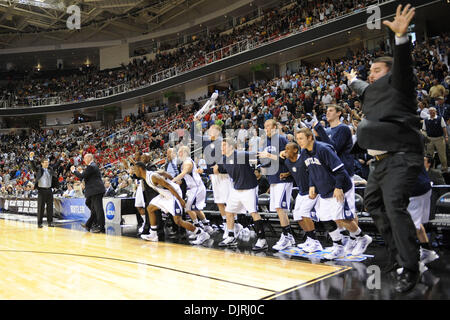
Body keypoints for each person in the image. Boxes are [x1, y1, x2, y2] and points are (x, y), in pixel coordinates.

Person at [345, 4, 423, 292]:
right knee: (373, 203)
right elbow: (359, 86)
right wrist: (352, 79)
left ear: (389, 72)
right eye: (370, 71)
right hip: (378, 164)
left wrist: (400, 39)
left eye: (376, 70)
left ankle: (411, 267)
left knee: (393, 205)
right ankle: (395, 255)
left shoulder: (399, 84)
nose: (372, 74)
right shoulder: (371, 90)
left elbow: (402, 65)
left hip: (401, 157)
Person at [296, 128, 372, 260]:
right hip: (324, 189)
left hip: (339, 186)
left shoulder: (324, 149)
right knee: (325, 218)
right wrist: (312, 185)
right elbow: (311, 170)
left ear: (310, 138)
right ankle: (339, 247)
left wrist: (338, 187)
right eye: (297, 139)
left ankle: (363, 237)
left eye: (301, 138)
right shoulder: (304, 153)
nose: (299, 141)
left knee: (341, 217)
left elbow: (340, 170)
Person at [131, 162, 210, 245]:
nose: (134, 172)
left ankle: (202, 234)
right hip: (165, 194)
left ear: (140, 169)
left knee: (178, 221)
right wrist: (173, 179)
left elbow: (169, 186)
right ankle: (153, 234)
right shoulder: (148, 175)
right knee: (150, 208)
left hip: (174, 195)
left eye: (135, 170)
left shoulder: (153, 177)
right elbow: (164, 173)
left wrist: (180, 200)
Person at [217, 138, 268, 251]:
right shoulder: (224, 159)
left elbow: (258, 154)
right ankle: (231, 237)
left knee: (253, 212)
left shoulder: (240, 154)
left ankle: (262, 240)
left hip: (249, 187)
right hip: (236, 188)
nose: (222, 148)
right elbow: (220, 170)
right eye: (221, 146)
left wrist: (267, 154)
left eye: (224, 145)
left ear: (231, 146)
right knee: (229, 211)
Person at [258, 119, 295, 251]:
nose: (266, 128)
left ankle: (286, 236)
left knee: (280, 208)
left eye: (268, 125)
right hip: (273, 178)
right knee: (279, 209)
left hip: (283, 178)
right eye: (264, 126)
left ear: (275, 127)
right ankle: (289, 236)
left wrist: (269, 155)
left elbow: (290, 157)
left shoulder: (281, 139)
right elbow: (268, 160)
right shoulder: (266, 142)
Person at [281, 142, 322, 252]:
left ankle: (315, 242)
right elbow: (294, 169)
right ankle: (309, 239)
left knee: (304, 213)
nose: (285, 151)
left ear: (295, 150)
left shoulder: (304, 159)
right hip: (301, 192)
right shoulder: (287, 162)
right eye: (285, 149)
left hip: (311, 190)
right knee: (297, 216)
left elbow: (314, 170)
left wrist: (314, 187)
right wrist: (286, 174)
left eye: (288, 149)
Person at [172, 146, 214, 238]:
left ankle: (198, 228)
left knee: (188, 208)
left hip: (197, 188)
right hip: (194, 188)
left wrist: (173, 180)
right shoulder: (185, 161)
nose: (178, 154)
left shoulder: (187, 162)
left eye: (179, 152)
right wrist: (179, 181)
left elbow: (183, 173)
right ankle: (206, 226)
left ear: (184, 152)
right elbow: (185, 176)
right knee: (195, 208)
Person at [406, 166, 439, 267]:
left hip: (414, 188)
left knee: (407, 226)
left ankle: (411, 264)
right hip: (424, 187)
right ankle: (427, 251)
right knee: (416, 224)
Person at [71, 153, 106, 233]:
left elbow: (82, 176)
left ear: (89, 158)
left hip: (96, 190)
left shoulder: (91, 166)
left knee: (98, 209)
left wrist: (74, 171)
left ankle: (101, 227)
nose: (84, 160)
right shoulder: (92, 166)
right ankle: (89, 224)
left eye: (85, 158)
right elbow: (86, 175)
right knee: (92, 207)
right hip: (94, 191)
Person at [29, 151, 62, 228]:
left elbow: (57, 165)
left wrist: (61, 158)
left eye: (48, 162)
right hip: (41, 190)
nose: (47, 164)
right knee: (41, 207)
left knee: (50, 207)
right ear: (42, 163)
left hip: (49, 190)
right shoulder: (38, 169)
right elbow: (33, 166)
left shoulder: (50, 169)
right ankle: (39, 223)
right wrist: (31, 158)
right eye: (45, 162)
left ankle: (50, 222)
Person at [422, 107, 448, 172]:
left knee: (442, 154)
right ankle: (431, 169)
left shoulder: (440, 118)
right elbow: (424, 130)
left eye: (433, 111)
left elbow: (444, 127)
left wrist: (446, 136)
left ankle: (445, 168)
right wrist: (425, 137)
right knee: (429, 155)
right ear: (429, 112)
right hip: (430, 139)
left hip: (439, 139)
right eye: (430, 112)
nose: (432, 113)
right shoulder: (426, 120)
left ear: (435, 112)